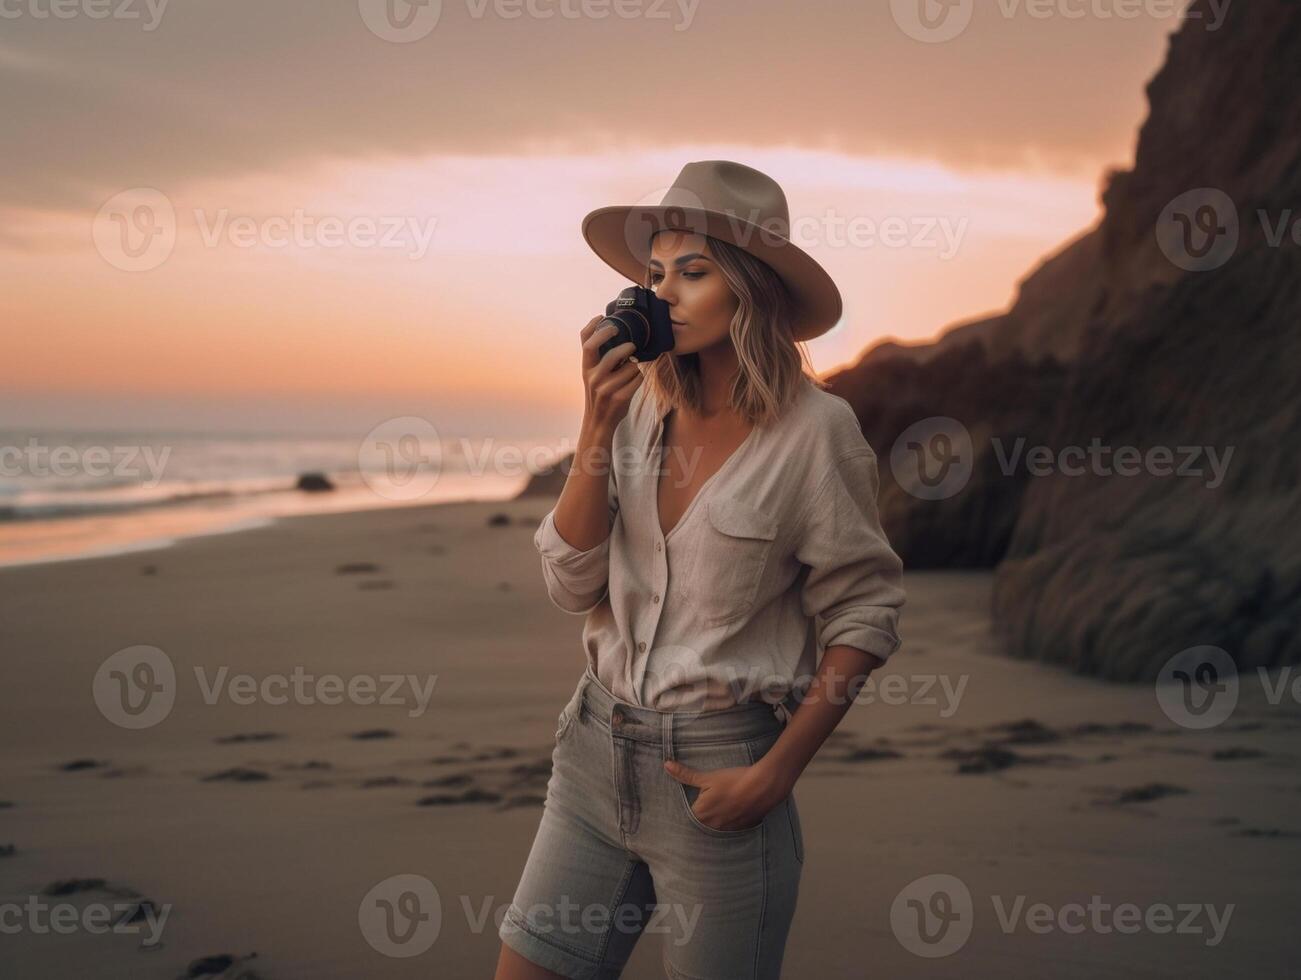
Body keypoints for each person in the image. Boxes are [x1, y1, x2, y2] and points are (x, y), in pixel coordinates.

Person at [495, 160, 906, 980]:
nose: (665, 295)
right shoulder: (638, 405)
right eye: (655, 275)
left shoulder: (817, 433)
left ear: (748, 288)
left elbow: (863, 614)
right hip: (589, 757)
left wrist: (775, 772)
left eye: (693, 272)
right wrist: (593, 424)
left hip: (724, 774)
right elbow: (570, 586)